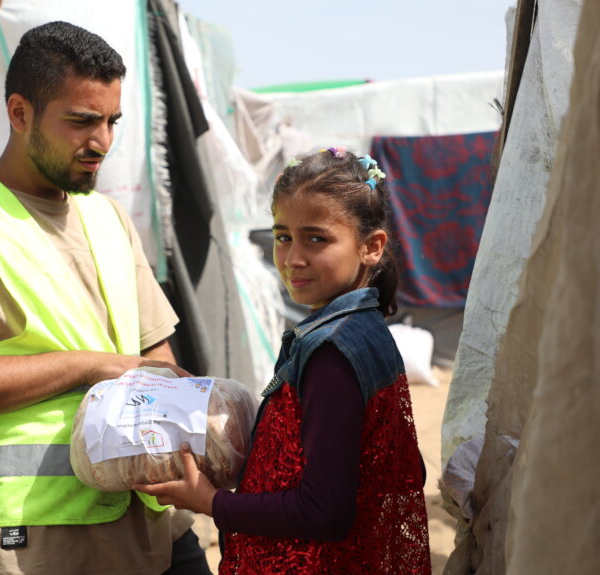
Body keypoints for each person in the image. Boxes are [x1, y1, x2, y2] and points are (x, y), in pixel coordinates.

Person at [0, 21, 210, 575]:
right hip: (31, 538)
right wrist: (88, 368)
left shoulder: (108, 217)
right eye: (82, 121)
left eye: (111, 122)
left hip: (152, 520)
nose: (101, 141)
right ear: (19, 113)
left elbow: (156, 358)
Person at [135, 147, 432, 574]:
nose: (293, 258)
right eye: (282, 236)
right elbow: (404, 469)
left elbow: (323, 513)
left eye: (316, 238)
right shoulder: (364, 330)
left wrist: (212, 502)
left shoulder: (332, 350)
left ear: (371, 246)